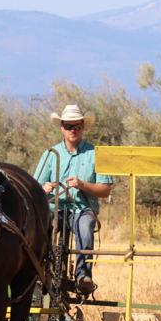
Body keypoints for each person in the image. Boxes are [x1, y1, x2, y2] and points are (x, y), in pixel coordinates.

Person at [32, 104, 113, 295]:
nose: (73, 130)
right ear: (61, 127)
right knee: (39, 225)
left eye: (76, 126)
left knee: (85, 228)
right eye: (68, 126)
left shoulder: (96, 154)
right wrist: (43, 188)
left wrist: (82, 185)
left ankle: (83, 276)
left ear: (83, 126)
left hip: (82, 209)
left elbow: (105, 189)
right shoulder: (51, 154)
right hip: (54, 207)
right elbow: (33, 188)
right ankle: (39, 271)